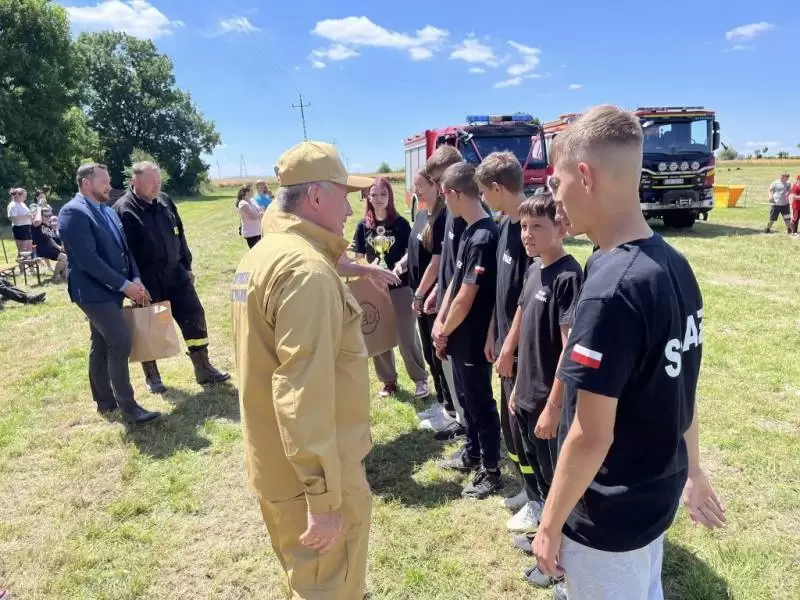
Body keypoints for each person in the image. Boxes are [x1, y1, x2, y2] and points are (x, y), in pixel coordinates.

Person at [532, 105, 725, 600]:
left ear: (585, 176)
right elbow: (683, 388)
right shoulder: (674, 265)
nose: (555, 196)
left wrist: (549, 524)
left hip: (608, 513)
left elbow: (591, 436)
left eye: (557, 181)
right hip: (653, 495)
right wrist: (693, 470)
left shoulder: (611, 289)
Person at [230, 140, 374, 600]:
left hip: (277, 465)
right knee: (330, 588)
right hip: (312, 475)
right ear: (315, 196)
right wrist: (324, 499)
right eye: (344, 195)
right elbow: (302, 390)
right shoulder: (306, 271)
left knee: (308, 582)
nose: (350, 209)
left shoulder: (262, 254)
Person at [510, 191, 582, 590]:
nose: (527, 234)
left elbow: (570, 349)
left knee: (559, 486)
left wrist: (553, 406)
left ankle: (562, 566)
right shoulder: (534, 268)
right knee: (538, 475)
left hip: (547, 404)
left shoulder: (569, 277)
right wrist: (517, 389)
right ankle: (543, 539)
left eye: (537, 226)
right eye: (524, 226)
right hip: (526, 395)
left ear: (561, 228)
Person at [115, 161, 230, 394]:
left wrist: (187, 265)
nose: (156, 187)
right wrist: (134, 282)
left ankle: (203, 368)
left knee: (194, 314)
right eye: (151, 183)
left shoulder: (165, 201)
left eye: (159, 182)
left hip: (176, 273)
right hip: (146, 279)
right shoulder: (124, 209)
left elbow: (179, 232)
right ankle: (153, 377)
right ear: (134, 181)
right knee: (147, 325)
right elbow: (124, 252)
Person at [58, 163, 160, 424]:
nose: (109, 186)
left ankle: (104, 402)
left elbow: (125, 250)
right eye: (103, 182)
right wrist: (125, 286)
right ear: (86, 183)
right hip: (92, 292)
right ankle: (129, 408)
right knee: (120, 340)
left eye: (109, 181)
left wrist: (135, 278)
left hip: (115, 288)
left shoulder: (108, 211)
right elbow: (88, 260)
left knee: (101, 343)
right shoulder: (73, 212)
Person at [476, 151, 539, 526]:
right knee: (510, 428)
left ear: (498, 188)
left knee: (524, 428)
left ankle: (539, 500)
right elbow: (500, 291)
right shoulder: (503, 226)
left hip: (522, 351)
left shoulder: (531, 231)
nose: (483, 198)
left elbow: (526, 300)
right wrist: (491, 333)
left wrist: (510, 346)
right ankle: (528, 490)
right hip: (502, 345)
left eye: (484, 191)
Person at [433, 162, 502, 499]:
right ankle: (472, 452)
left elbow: (467, 296)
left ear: (454, 193)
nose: (444, 201)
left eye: (444, 194)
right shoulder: (468, 230)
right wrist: (441, 322)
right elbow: (454, 285)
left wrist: (444, 329)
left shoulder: (485, 236)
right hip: (459, 334)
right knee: (464, 397)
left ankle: (491, 468)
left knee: (479, 402)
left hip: (473, 336)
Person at [349, 177, 429, 399]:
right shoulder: (362, 226)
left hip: (400, 286)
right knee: (379, 334)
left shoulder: (401, 224)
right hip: (374, 289)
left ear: (389, 196)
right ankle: (388, 381)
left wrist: (399, 267)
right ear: (368, 197)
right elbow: (358, 256)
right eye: (374, 194)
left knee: (406, 335)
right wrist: (366, 267)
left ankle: (420, 379)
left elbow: (410, 252)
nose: (378, 199)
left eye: (383, 194)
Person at [420, 145, 471, 442]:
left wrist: (446, 301)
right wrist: (438, 290)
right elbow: (450, 261)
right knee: (448, 365)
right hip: (446, 299)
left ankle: (467, 425)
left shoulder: (466, 212)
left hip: (459, 308)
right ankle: (460, 419)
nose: (439, 188)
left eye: (441, 180)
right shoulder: (450, 209)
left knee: (461, 371)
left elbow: (464, 272)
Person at [406, 166, 457, 431]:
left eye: (421, 186)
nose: (417, 191)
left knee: (439, 354)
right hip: (420, 294)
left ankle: (450, 409)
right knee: (428, 351)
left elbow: (436, 263)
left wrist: (420, 293)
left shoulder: (442, 218)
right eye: (415, 187)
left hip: (432, 297)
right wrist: (401, 265)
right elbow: (414, 249)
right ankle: (442, 402)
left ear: (436, 187)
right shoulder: (420, 215)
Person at [31, 205, 68, 282]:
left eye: (50, 215)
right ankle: (55, 276)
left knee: (67, 254)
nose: (48, 217)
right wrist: (39, 208)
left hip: (49, 248)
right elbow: (37, 221)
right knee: (64, 257)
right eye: (46, 216)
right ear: (41, 216)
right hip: (41, 249)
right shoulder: (37, 225)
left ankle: (63, 275)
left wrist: (59, 247)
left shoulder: (47, 226)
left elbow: (51, 239)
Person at [236, 184, 264, 248]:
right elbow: (253, 216)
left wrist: (260, 213)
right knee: (255, 251)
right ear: (247, 192)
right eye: (252, 190)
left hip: (258, 231)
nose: (253, 192)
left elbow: (261, 209)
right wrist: (261, 214)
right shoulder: (242, 203)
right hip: (251, 233)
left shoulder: (252, 200)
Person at [7, 188, 33, 254]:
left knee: (29, 250)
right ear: (18, 195)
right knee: (23, 251)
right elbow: (13, 218)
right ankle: (21, 261)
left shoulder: (22, 204)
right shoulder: (13, 205)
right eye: (24, 196)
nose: (25, 197)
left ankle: (28, 261)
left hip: (27, 227)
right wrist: (26, 216)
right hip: (20, 228)